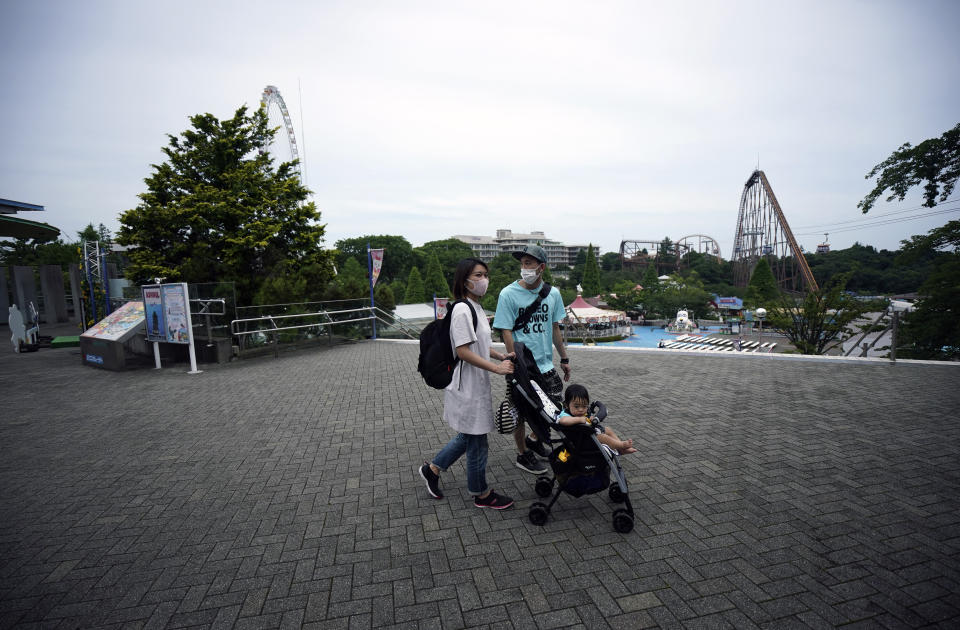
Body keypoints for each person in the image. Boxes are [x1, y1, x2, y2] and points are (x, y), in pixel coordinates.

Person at [419, 258, 516, 509]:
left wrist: (500, 355)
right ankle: (480, 493)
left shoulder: (476, 307)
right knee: (477, 440)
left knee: (469, 435)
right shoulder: (463, 309)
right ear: (465, 281)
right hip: (467, 386)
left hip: (476, 383)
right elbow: (462, 351)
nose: (484, 280)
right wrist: (496, 368)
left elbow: (479, 344)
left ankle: (432, 469)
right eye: (479, 275)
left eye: (485, 274)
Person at [493, 244, 570, 475]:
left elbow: (555, 327)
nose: (524, 268)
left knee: (553, 406)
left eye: (529, 263)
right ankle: (522, 453)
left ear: (541, 267)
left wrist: (564, 358)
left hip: (546, 365)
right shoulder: (508, 294)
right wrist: (513, 362)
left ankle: (536, 440)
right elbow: (505, 330)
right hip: (522, 366)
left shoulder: (552, 293)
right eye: (523, 263)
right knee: (520, 411)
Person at [558, 384, 637, 455]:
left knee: (608, 430)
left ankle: (620, 448)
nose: (581, 410)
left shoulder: (581, 413)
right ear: (567, 405)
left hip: (588, 434)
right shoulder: (566, 414)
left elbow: (587, 419)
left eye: (584, 406)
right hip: (579, 441)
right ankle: (621, 445)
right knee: (603, 437)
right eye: (576, 407)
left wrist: (590, 419)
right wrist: (579, 419)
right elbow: (563, 421)